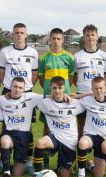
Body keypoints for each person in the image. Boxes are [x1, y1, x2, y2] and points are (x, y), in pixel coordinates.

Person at [0, 23, 39, 174]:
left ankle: (27, 159)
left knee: (27, 126)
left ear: (26, 34)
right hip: (9, 90)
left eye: (22, 32)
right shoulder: (5, 52)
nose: (19, 35)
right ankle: (4, 161)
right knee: (6, 125)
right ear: (12, 34)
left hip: (26, 91)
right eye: (17, 32)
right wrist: (8, 86)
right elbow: (1, 73)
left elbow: (34, 74)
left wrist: (26, 88)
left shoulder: (33, 52)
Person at [32, 76, 85, 177]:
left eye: (60, 88)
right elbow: (25, 96)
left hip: (70, 142)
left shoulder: (74, 103)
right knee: (39, 142)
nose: (57, 91)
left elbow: (96, 96)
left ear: (64, 88)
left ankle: (64, 167)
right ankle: (37, 174)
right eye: (54, 88)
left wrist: (78, 96)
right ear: (50, 88)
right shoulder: (45, 102)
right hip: (55, 138)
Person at [38, 28, 75, 168]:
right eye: (53, 38)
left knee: (66, 127)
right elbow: (41, 79)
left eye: (59, 38)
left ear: (63, 40)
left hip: (65, 99)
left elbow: (71, 78)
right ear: (49, 40)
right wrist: (49, 92)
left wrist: (63, 91)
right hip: (49, 99)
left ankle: (65, 161)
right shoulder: (43, 58)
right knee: (47, 127)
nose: (56, 41)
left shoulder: (70, 57)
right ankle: (45, 161)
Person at [0, 77, 43, 177]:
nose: (17, 89)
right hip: (9, 134)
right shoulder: (1, 99)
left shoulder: (30, 97)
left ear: (24, 89)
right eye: (15, 86)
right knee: (4, 140)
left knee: (17, 174)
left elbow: (49, 96)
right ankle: (6, 172)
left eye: (20, 87)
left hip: (23, 136)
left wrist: (69, 97)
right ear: (10, 87)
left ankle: (10, 163)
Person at [75, 77, 106, 177]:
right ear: (92, 90)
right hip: (90, 136)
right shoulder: (87, 100)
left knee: (99, 175)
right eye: (96, 88)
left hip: (103, 140)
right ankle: (81, 174)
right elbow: (73, 99)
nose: (99, 90)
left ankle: (91, 165)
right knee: (82, 142)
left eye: (101, 88)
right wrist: (80, 95)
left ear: (105, 88)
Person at [73, 24, 106, 138]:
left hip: (98, 97)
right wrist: (84, 89)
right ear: (84, 38)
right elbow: (75, 78)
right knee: (81, 129)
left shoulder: (105, 56)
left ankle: (98, 155)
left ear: (97, 36)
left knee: (99, 129)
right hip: (82, 97)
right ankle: (82, 155)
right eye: (87, 35)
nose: (90, 37)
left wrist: (98, 91)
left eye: (93, 35)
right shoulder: (77, 56)